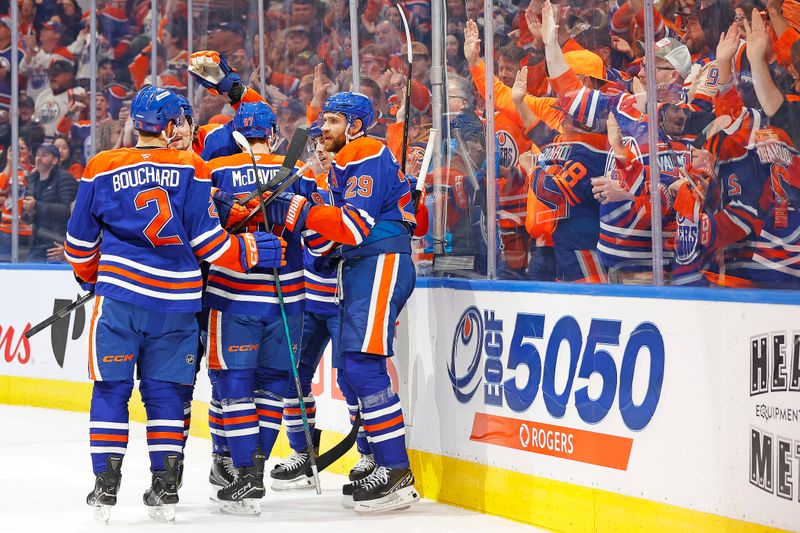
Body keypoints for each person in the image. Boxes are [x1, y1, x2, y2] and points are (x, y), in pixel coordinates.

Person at [65, 86, 286, 523]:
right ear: (170, 125)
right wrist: (252, 250)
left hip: (120, 299)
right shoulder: (192, 167)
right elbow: (209, 243)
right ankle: (165, 486)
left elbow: (78, 244)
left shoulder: (101, 165)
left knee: (111, 389)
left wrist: (94, 277)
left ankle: (105, 485)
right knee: (166, 393)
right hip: (179, 303)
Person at [264, 91, 420, 513]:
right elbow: (325, 243)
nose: (323, 128)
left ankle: (395, 470)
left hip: (380, 261)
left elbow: (351, 227)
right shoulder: (340, 169)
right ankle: (386, 464)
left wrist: (299, 210)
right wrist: (298, 217)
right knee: (355, 366)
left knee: (362, 366)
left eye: (332, 120)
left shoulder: (365, 150)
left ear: (356, 126)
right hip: (360, 266)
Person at [203, 100, 315, 514]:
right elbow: (318, 237)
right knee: (271, 388)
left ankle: (241, 472)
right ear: (272, 135)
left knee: (234, 385)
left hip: (232, 296)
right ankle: (255, 472)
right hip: (288, 296)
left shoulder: (215, 171)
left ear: (236, 136)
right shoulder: (299, 173)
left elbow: (201, 233)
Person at [269, 125, 377, 491]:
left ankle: (369, 453)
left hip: (347, 298)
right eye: (316, 144)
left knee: (352, 379)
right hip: (309, 298)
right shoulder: (305, 185)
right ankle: (304, 453)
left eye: (325, 144)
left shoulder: (357, 187)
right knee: (292, 375)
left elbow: (338, 238)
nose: (319, 150)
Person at [21, 142, 77, 262]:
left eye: (44, 155)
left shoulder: (65, 178)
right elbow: (24, 216)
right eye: (37, 154)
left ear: (55, 160)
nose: (39, 158)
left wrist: (36, 205)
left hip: (59, 243)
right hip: (37, 243)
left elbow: (68, 211)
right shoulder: (32, 180)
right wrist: (29, 213)